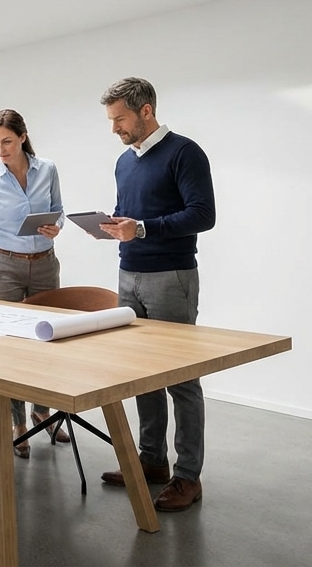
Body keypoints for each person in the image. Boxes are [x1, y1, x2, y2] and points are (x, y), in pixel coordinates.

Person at [95, 77, 216, 512]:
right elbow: (131, 215)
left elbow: (203, 215)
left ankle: (188, 476)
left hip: (172, 277)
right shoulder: (124, 161)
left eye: (120, 119)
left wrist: (143, 229)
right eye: (111, 120)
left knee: (181, 378)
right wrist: (113, 227)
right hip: (129, 274)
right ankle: (151, 462)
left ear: (146, 111)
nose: (115, 128)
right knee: (141, 374)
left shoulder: (185, 152)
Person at [0, 109, 69, 458]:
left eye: (7, 141)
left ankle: (42, 411)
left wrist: (56, 226)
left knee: (46, 341)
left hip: (45, 264)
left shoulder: (47, 169)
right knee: (9, 347)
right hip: (4, 266)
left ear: (23, 137)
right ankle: (18, 423)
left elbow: (59, 210)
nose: (1, 149)